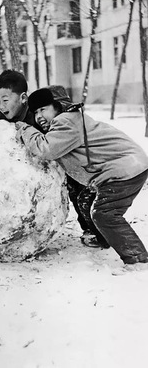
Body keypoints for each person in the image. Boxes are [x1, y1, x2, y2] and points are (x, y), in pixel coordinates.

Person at [15, 87, 148, 269]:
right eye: (35, 112)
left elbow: (45, 149)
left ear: (57, 107)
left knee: (105, 214)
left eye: (43, 109)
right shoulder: (68, 122)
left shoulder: (66, 122)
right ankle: (102, 238)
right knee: (85, 200)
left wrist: (26, 129)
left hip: (126, 168)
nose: (38, 116)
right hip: (124, 165)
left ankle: (138, 259)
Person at [0, 72, 99, 246]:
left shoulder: (36, 117)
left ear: (22, 98)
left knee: (77, 190)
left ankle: (93, 228)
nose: (0, 106)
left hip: (62, 163)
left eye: (5, 100)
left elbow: (49, 143)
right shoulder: (11, 115)